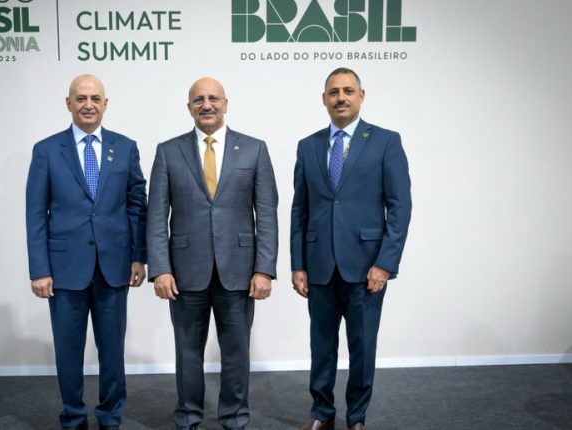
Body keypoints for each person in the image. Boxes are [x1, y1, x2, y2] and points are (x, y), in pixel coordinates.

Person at [147, 77, 278, 430]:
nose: (206, 105)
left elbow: (266, 213)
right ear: (189, 107)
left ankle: (234, 419)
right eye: (199, 100)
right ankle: (188, 418)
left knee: (236, 353)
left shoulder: (254, 149)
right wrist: (160, 268)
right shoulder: (168, 151)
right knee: (187, 352)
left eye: (213, 99)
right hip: (184, 272)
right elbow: (156, 216)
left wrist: (264, 269)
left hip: (239, 271)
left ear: (225, 103)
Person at [291, 68, 412, 430]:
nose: (340, 97)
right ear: (324, 99)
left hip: (366, 268)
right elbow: (300, 210)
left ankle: (357, 417)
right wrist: (298, 264)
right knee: (321, 346)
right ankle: (321, 412)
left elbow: (399, 208)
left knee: (362, 346)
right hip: (319, 266)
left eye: (347, 90)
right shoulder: (308, 146)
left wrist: (385, 263)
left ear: (361, 95)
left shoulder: (386, 142)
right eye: (333, 92)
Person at [25, 74, 147, 430]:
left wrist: (139, 256)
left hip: (114, 267)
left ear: (105, 104)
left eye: (95, 98)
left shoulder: (125, 147)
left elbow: (137, 205)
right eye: (81, 98)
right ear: (69, 103)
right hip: (64, 270)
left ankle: (110, 417)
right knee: (68, 352)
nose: (88, 105)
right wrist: (39, 269)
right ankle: (73, 418)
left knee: (112, 351)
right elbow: (35, 213)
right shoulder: (47, 150)